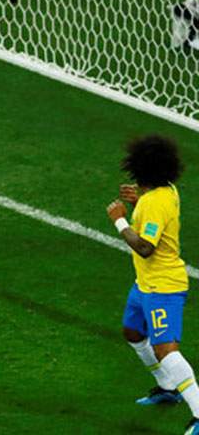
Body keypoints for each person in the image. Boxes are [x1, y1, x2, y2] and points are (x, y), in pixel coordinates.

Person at [106, 135, 199, 434]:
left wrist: (119, 220)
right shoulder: (166, 191)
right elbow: (153, 218)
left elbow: (146, 247)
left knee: (166, 351)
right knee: (133, 332)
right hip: (145, 284)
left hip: (163, 287)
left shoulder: (154, 202)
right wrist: (137, 202)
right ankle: (168, 387)